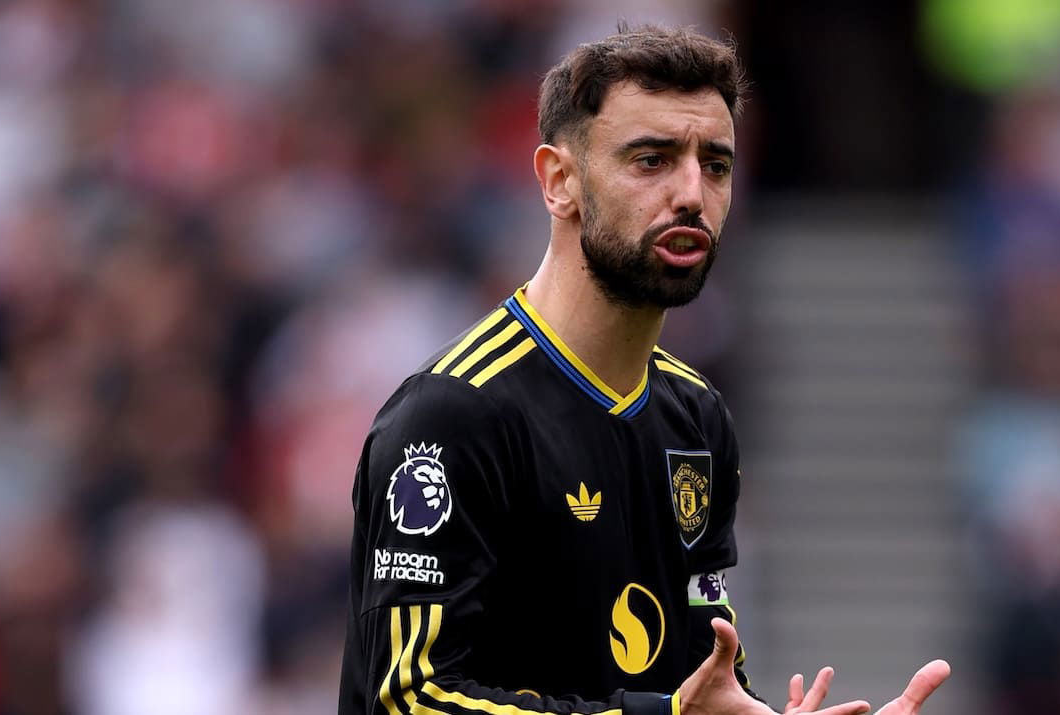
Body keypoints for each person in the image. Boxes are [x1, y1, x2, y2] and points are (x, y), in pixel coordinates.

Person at [337, 24, 950, 715]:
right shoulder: (454, 414)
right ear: (559, 181)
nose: (691, 193)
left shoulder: (697, 418)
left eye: (715, 165)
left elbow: (702, 690)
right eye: (652, 160)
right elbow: (410, 700)